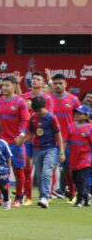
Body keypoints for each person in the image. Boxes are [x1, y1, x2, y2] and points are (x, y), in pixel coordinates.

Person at [21, 96, 65, 208]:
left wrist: (61, 151)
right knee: (40, 175)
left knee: (46, 173)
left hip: (50, 149)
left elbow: (58, 134)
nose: (38, 113)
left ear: (44, 106)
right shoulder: (33, 117)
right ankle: (42, 197)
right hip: (37, 149)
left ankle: (45, 197)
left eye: (39, 111)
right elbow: (31, 133)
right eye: (36, 111)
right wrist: (21, 141)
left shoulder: (51, 117)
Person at [19, 71, 54, 205]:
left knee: (41, 171)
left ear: (43, 82)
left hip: (41, 137)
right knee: (27, 167)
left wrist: (32, 109)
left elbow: (48, 117)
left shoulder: (47, 98)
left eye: (38, 79)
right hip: (28, 136)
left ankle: (43, 196)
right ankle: (27, 197)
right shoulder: (24, 97)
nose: (35, 81)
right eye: (33, 79)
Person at [0, 75, 29, 207]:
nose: (4, 87)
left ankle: (19, 197)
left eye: (7, 85)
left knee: (18, 170)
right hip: (2, 142)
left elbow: (26, 120)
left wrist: (22, 135)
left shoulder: (20, 102)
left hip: (16, 142)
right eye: (3, 85)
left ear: (14, 86)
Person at [49, 73, 81, 202]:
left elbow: (79, 119)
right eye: (55, 83)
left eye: (60, 83)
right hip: (53, 139)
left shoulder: (73, 100)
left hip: (69, 140)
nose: (58, 85)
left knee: (68, 169)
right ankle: (48, 194)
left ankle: (72, 192)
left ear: (65, 84)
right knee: (51, 167)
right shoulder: (49, 99)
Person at [67, 105, 92, 207]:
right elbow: (67, 140)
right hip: (74, 157)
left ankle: (79, 200)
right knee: (75, 179)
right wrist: (62, 153)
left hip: (85, 157)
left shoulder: (90, 128)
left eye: (79, 113)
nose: (76, 115)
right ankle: (86, 197)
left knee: (81, 178)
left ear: (86, 116)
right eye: (76, 113)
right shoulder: (71, 126)